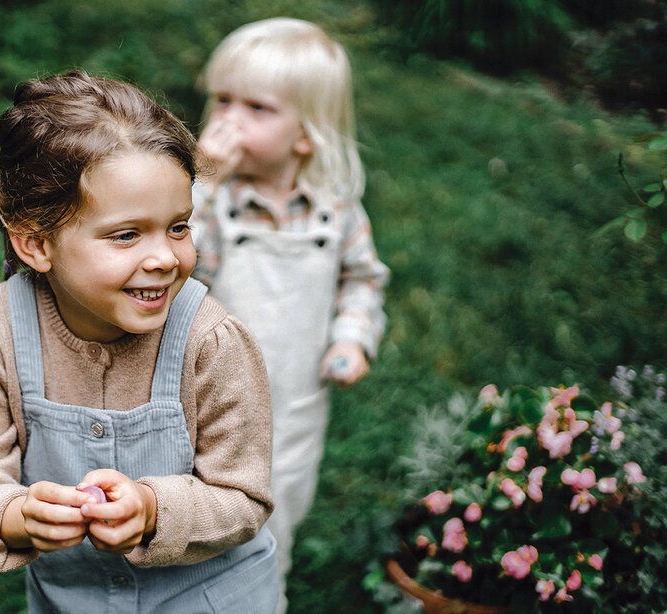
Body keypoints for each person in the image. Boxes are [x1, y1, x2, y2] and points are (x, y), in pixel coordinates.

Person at [0, 70, 278, 613]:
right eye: (126, 235)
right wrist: (16, 515)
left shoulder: (212, 343)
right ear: (35, 243)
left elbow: (245, 498)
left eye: (179, 227)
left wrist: (153, 509)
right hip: (71, 601)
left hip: (212, 598)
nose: (164, 257)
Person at [191, 17, 390, 611]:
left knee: (277, 512)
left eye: (256, 107)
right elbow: (177, 266)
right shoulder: (216, 203)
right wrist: (201, 179)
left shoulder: (338, 212)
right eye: (222, 100)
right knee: (203, 512)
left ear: (306, 135)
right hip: (207, 399)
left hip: (294, 406)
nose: (228, 120)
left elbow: (362, 280)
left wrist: (352, 339)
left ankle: (262, 593)